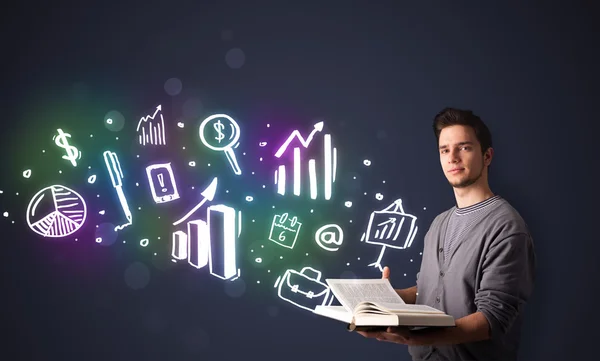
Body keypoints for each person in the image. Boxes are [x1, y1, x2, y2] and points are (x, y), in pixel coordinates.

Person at [358, 108, 536, 361]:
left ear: (487, 156)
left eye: (464, 148)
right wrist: (387, 298)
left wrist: (416, 336)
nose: (452, 158)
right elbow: (429, 291)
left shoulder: (507, 228)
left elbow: (492, 319)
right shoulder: (439, 224)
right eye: (444, 150)